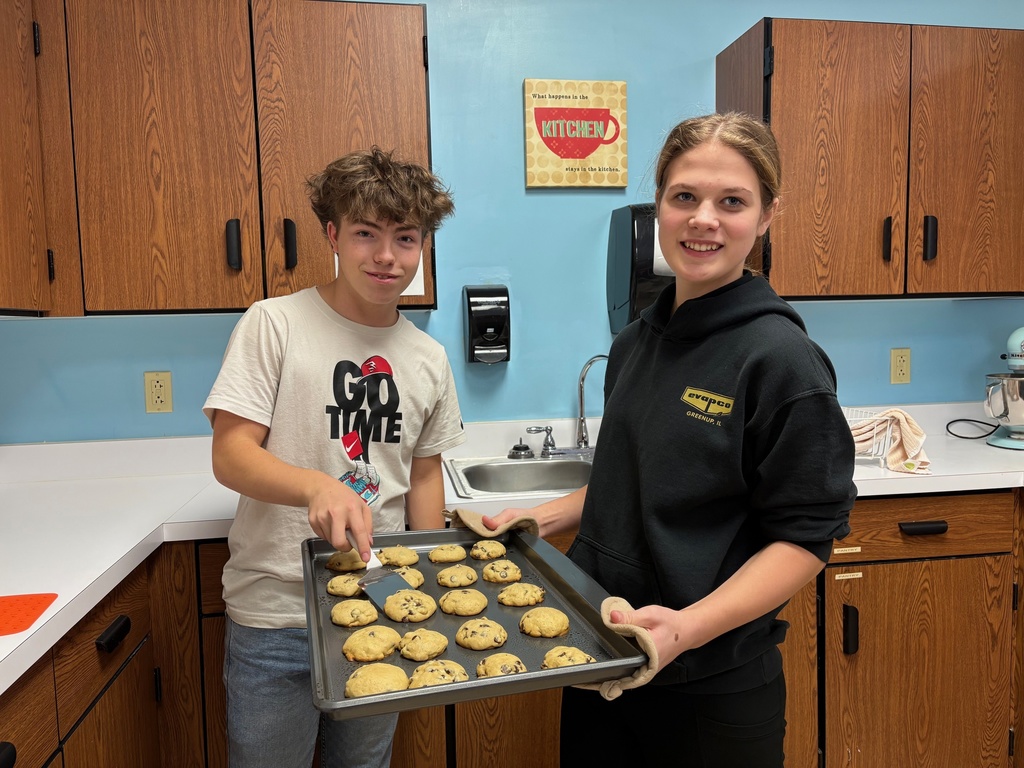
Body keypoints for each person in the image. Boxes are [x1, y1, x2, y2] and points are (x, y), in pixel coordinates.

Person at [486, 112, 856, 767]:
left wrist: (685, 629)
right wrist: (540, 519)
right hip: (605, 655)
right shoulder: (634, 344)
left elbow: (804, 540)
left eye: (732, 201)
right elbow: (630, 477)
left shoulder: (781, 362)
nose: (703, 219)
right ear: (657, 206)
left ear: (767, 215)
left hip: (709, 689)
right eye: (684, 196)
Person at [203, 147, 465, 768]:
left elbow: (424, 473)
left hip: (379, 603)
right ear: (333, 235)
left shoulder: (427, 358)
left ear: (422, 244)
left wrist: (426, 577)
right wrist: (316, 488)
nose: (386, 256)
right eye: (366, 234)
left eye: (405, 238)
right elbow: (232, 455)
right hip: (277, 615)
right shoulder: (274, 325)